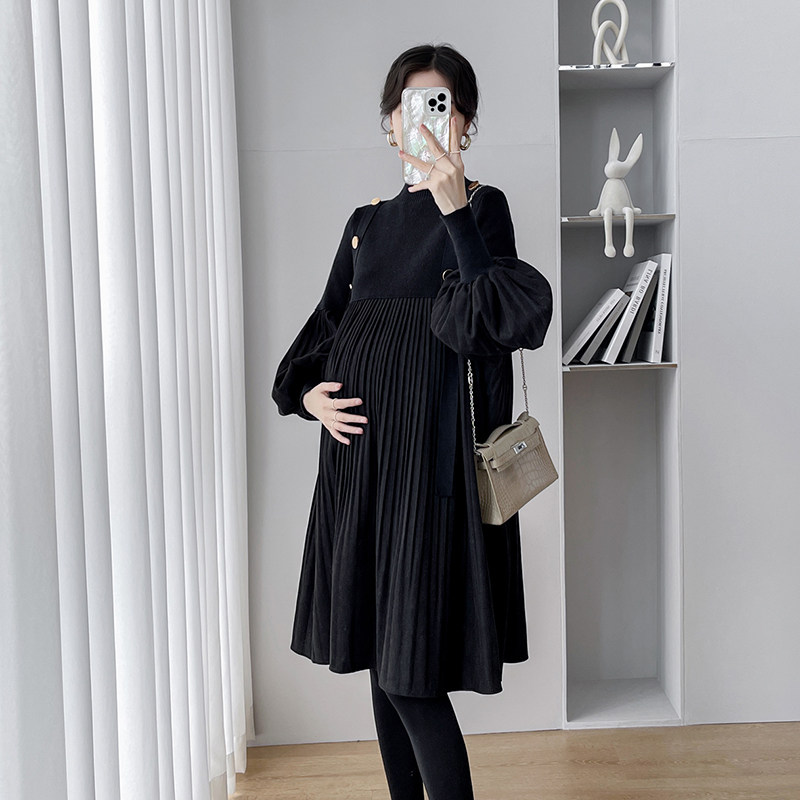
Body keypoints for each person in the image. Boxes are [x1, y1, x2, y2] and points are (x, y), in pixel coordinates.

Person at [271, 43, 553, 800]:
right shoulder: (364, 225)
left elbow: (501, 321)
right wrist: (308, 396)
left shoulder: (482, 208)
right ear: (389, 124)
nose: (424, 120)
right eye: (409, 106)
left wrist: (454, 209)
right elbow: (325, 329)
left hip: (435, 475)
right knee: (381, 660)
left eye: (442, 105)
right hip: (361, 469)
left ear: (465, 123)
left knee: (409, 675)